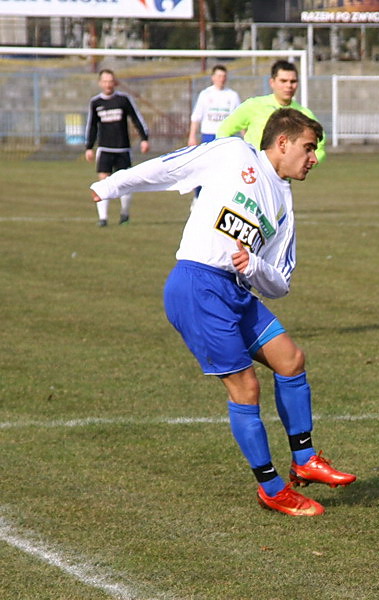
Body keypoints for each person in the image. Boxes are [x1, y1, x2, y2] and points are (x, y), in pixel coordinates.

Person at [89, 108, 355, 517]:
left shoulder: (283, 201)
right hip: (197, 286)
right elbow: (171, 167)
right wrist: (111, 185)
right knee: (246, 388)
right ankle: (271, 489)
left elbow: (281, 281)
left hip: (237, 291)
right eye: (308, 148)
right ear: (282, 143)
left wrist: (255, 266)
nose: (313, 158)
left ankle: (303, 459)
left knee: (291, 360)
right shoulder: (233, 154)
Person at [217, 59, 326, 163]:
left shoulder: (304, 114)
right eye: (283, 81)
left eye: (293, 81)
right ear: (272, 82)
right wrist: (232, 156)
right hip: (251, 174)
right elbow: (224, 130)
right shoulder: (254, 105)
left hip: (282, 179)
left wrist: (302, 162)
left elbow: (319, 148)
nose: (288, 85)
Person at [84, 69, 150, 227]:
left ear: (115, 82)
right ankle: (103, 218)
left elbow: (136, 118)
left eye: (110, 81)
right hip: (105, 149)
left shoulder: (123, 100)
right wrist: (89, 147)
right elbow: (92, 125)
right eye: (105, 81)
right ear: (100, 83)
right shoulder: (96, 103)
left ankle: (125, 214)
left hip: (123, 149)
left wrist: (144, 139)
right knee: (103, 182)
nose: (108, 84)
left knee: (125, 183)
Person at [188, 64, 241, 146]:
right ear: (213, 77)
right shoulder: (205, 94)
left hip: (226, 135)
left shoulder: (232, 95)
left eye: (224, 76)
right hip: (209, 134)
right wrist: (192, 136)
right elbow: (196, 116)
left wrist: (246, 137)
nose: (222, 79)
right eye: (219, 76)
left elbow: (239, 117)